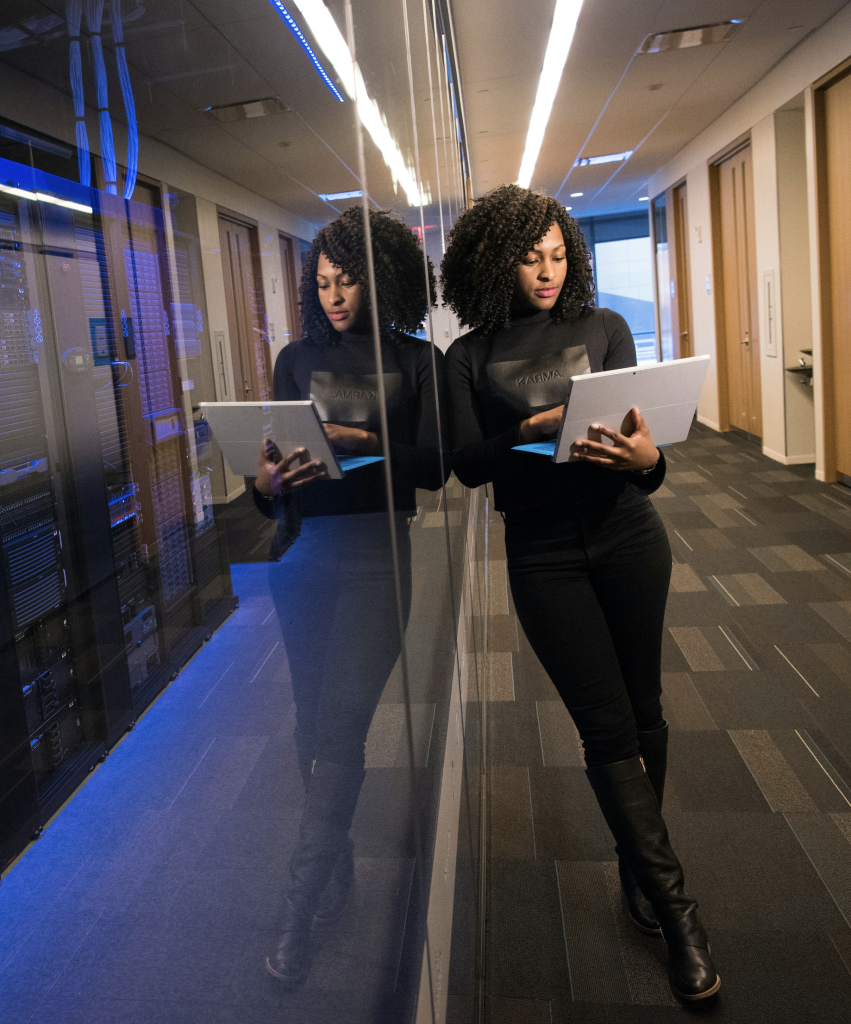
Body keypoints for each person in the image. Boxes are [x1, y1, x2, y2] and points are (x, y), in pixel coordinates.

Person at [440, 184, 719, 1001]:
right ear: (496, 261)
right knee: (604, 730)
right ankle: (677, 914)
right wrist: (524, 431)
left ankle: (638, 867)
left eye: (559, 255)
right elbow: (464, 463)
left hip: (628, 534)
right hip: (542, 555)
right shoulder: (469, 356)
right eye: (531, 258)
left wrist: (649, 463)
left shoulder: (604, 329)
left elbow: (646, 451)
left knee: (645, 710)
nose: (548, 271)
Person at [253, 207, 447, 988]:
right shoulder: (294, 358)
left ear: (380, 277)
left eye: (348, 279)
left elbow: (436, 468)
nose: (335, 295)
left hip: (377, 561)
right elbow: (267, 487)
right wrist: (267, 483)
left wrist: (363, 444)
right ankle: (335, 871)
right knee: (309, 728)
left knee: (338, 729)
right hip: (302, 555)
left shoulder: (415, 358)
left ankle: (299, 907)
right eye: (324, 282)